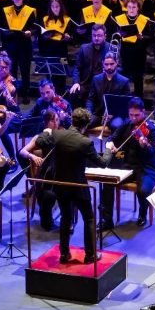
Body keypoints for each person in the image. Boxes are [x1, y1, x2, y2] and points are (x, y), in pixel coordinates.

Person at [50, 107, 113, 261]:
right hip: (78, 186)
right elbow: (103, 163)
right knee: (89, 218)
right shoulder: (85, 142)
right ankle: (90, 255)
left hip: (60, 185)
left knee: (66, 217)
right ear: (86, 125)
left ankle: (64, 254)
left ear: (72, 120)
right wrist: (108, 149)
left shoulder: (57, 135)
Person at [100, 97, 155, 228]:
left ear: (143, 112)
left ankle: (142, 214)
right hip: (127, 165)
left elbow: (151, 152)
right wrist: (111, 145)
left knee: (143, 190)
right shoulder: (126, 124)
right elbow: (112, 137)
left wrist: (144, 145)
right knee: (107, 182)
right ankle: (107, 220)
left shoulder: (151, 130)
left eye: (136, 115)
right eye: (131, 115)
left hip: (146, 167)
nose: (133, 118)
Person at [18, 109, 62, 231]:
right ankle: (46, 217)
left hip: (62, 172)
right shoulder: (40, 137)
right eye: (53, 121)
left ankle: (66, 220)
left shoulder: (62, 134)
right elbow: (22, 151)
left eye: (57, 120)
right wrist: (33, 156)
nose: (56, 123)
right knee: (47, 194)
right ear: (46, 123)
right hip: (47, 172)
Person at [86, 51, 132, 134]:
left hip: (115, 115)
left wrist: (113, 115)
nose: (109, 67)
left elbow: (126, 104)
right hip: (99, 114)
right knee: (83, 122)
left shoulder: (124, 81)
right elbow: (90, 99)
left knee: (117, 126)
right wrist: (88, 113)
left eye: (112, 64)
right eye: (106, 64)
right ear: (102, 63)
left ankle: (113, 146)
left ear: (116, 63)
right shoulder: (96, 79)